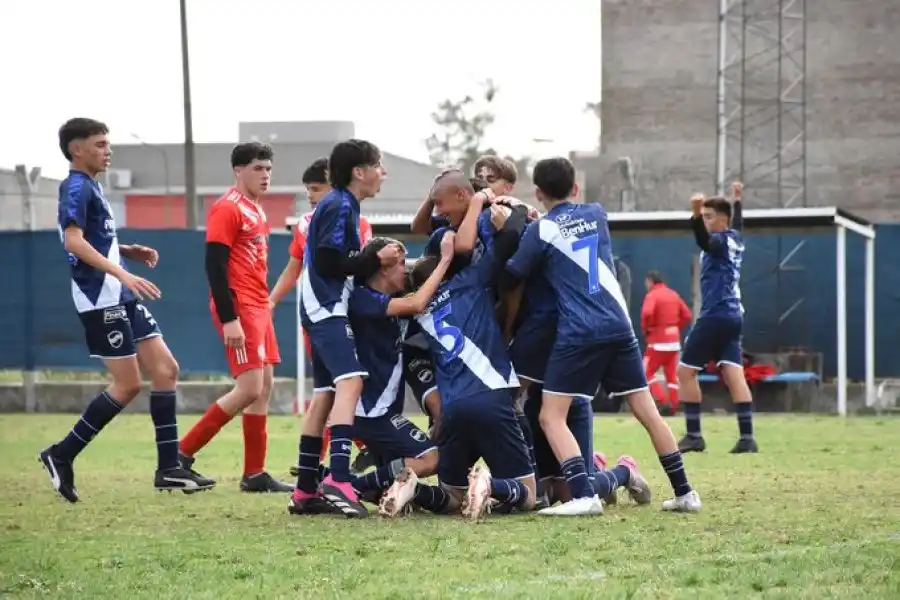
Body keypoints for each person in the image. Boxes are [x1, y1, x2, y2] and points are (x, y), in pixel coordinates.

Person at [500, 157, 701, 514]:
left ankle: (584, 496)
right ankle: (685, 492)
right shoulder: (596, 213)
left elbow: (513, 274)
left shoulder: (540, 230)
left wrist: (515, 221)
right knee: (647, 411)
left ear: (538, 192)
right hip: (620, 325)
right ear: (576, 188)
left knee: (550, 416)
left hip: (580, 330)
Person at [40, 117, 212, 503]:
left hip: (119, 293)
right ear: (77, 150)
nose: (108, 150)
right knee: (128, 384)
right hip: (100, 298)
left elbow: (94, 238)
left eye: (108, 143)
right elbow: (73, 241)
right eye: (100, 144)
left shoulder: (92, 186)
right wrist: (122, 272)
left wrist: (126, 251)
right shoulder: (75, 186)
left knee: (166, 369)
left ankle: (169, 469)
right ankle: (61, 454)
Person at [380, 183, 537, 521]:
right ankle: (490, 485)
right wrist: (514, 208)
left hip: (452, 409)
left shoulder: (418, 313)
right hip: (491, 395)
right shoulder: (471, 281)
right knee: (528, 494)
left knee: (452, 495)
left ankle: (414, 490)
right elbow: (508, 240)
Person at [293, 236, 453, 517]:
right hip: (371, 412)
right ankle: (349, 486)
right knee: (431, 458)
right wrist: (446, 260)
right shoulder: (363, 299)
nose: (406, 269)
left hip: (382, 411)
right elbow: (416, 304)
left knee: (393, 481)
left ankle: (328, 479)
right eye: (400, 264)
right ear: (383, 269)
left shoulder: (393, 301)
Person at [292, 139, 401, 517]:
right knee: (351, 382)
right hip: (326, 307)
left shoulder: (343, 204)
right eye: (379, 165)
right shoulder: (339, 204)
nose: (383, 172)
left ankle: (305, 489)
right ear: (359, 171)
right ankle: (338, 479)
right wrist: (375, 256)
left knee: (325, 394)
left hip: (322, 306)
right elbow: (329, 260)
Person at [177, 142, 292, 493]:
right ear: (238, 170)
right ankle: (179, 456)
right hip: (240, 307)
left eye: (268, 168)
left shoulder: (256, 209)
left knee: (264, 387)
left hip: (259, 306)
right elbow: (214, 264)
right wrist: (230, 318)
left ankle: (254, 474)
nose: (265, 175)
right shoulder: (228, 207)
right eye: (258, 168)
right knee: (249, 388)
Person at [271, 158, 371, 475]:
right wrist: (271, 300)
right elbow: (295, 267)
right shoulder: (308, 223)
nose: (311, 196)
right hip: (326, 313)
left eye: (315, 189)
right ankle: (335, 470)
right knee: (343, 385)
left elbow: (358, 270)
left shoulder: (356, 220)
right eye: (308, 190)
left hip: (341, 312)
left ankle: (314, 472)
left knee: (334, 389)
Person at [677, 182, 758, 454]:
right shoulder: (736, 238)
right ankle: (747, 438)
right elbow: (740, 224)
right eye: (704, 216)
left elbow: (704, 241)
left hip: (715, 314)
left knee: (685, 372)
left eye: (709, 216)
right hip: (734, 315)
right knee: (734, 373)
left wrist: (694, 215)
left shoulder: (720, 240)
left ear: (722, 220)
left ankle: (694, 435)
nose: (705, 220)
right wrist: (738, 201)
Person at [641, 270, 693, 415]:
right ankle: (674, 405)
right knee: (671, 376)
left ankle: (662, 401)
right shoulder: (673, 294)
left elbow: (647, 313)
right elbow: (687, 315)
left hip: (657, 342)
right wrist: (676, 327)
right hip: (674, 342)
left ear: (650, 281)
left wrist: (647, 329)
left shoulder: (652, 295)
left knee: (645, 373)